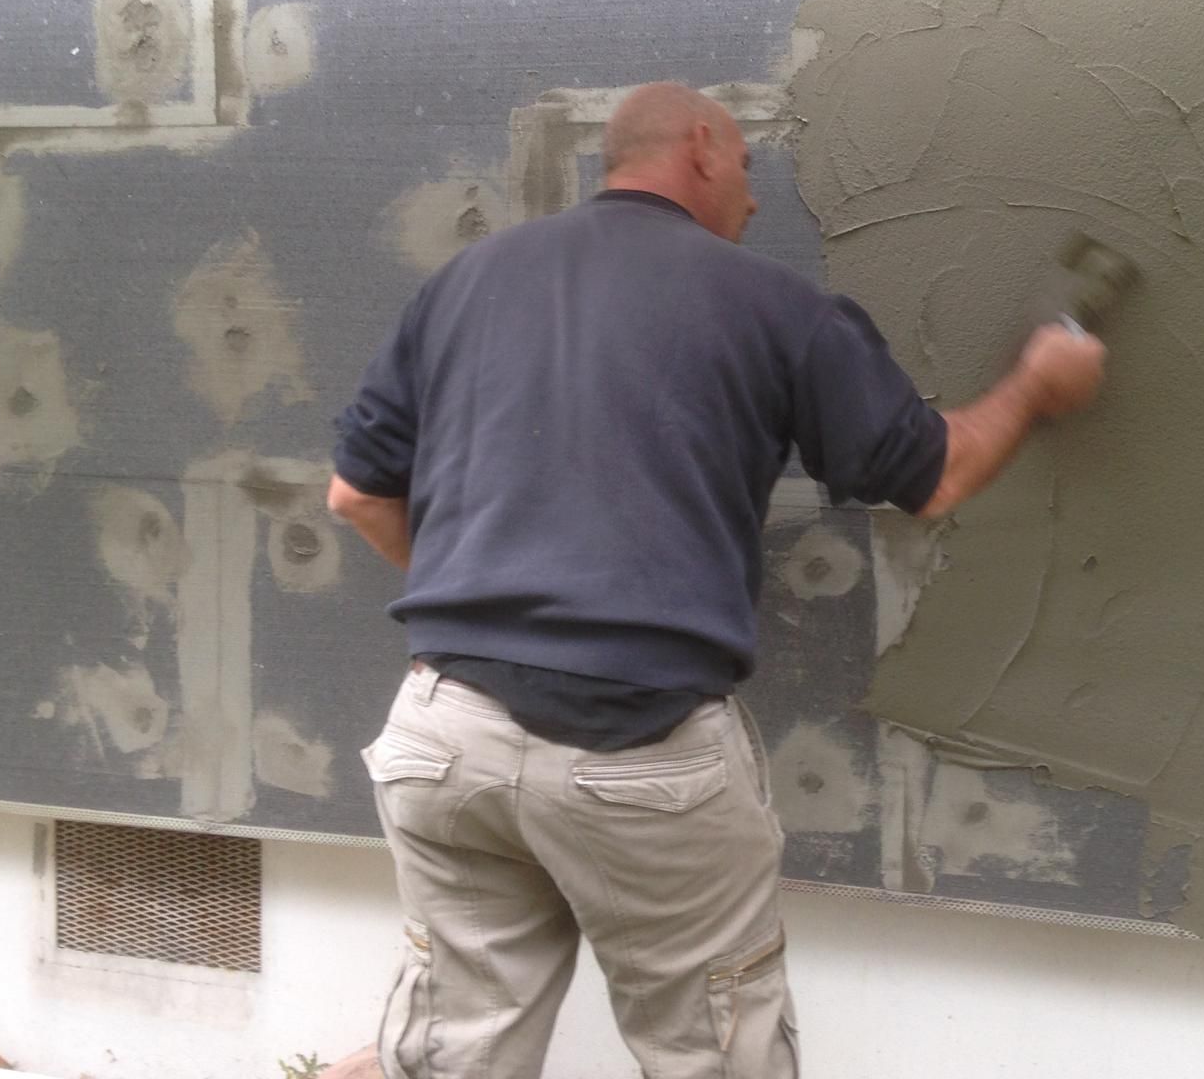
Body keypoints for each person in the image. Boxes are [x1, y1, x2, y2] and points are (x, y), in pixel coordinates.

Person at [328, 82, 1105, 1079]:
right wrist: (1038, 387)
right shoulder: (774, 308)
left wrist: (478, 609)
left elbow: (355, 495)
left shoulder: (467, 281)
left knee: (453, 1052)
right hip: (637, 752)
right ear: (700, 147)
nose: (753, 201)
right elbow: (936, 473)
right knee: (718, 1054)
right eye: (745, 169)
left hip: (445, 743)